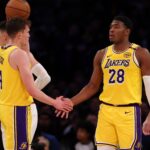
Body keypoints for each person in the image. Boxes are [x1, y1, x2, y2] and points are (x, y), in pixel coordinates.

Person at [56, 15, 150, 150]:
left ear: (127, 31)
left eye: (116, 27)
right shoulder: (101, 54)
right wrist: (71, 102)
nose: (111, 30)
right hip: (105, 111)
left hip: (128, 113)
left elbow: (149, 86)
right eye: (110, 27)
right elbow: (92, 86)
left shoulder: (140, 53)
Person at [0, 18, 73, 150]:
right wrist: (54, 102)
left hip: (5, 107)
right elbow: (32, 89)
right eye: (27, 32)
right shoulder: (19, 55)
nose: (29, 35)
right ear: (20, 34)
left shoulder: (2, 51)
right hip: (18, 110)